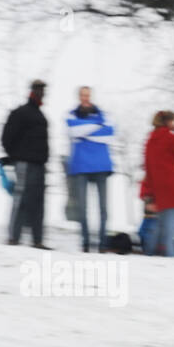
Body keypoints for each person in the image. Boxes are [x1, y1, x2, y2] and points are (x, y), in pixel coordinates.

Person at [1, 78, 50, 249]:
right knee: (20, 200)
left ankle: (38, 240)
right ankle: (13, 238)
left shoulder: (41, 116)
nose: (41, 93)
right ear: (32, 91)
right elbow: (6, 138)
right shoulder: (20, 113)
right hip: (24, 164)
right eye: (38, 90)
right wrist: (16, 157)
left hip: (40, 166)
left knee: (38, 203)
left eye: (43, 90)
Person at [65, 86, 115, 252]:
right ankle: (85, 242)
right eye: (82, 95)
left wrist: (84, 131)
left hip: (101, 166)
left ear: (91, 96)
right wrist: (96, 127)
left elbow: (110, 132)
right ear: (79, 97)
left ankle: (103, 244)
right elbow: (73, 130)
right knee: (82, 208)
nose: (85, 98)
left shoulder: (104, 115)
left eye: (87, 95)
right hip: (80, 166)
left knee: (103, 208)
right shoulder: (71, 114)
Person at [142, 111, 174, 258]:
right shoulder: (171, 138)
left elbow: (147, 167)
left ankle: (149, 251)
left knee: (160, 223)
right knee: (171, 226)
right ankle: (172, 255)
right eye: (173, 121)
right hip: (172, 186)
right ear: (168, 122)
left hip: (158, 187)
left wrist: (149, 193)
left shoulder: (150, 140)